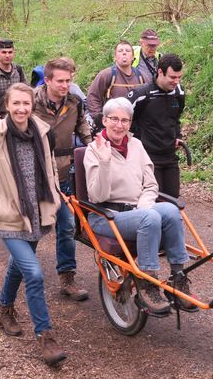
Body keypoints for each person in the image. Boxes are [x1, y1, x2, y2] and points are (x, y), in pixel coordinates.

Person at [0, 83, 66, 367]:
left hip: (37, 215)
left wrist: (56, 198)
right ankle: (45, 337)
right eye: (16, 104)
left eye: (26, 103)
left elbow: (51, 168)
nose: (22, 109)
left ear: (32, 104)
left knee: (18, 265)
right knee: (33, 274)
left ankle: (3, 310)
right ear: (6, 106)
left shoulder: (43, 133)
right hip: (9, 219)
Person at [83, 97, 195, 315]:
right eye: (114, 119)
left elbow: (151, 184)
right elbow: (96, 196)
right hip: (106, 215)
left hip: (136, 210)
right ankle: (147, 283)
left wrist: (144, 205)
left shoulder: (136, 145)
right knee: (150, 218)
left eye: (125, 120)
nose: (119, 125)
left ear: (130, 123)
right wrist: (105, 161)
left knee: (171, 211)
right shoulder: (93, 150)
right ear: (104, 121)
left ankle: (178, 277)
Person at [34, 57, 91, 300]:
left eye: (68, 80)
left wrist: (94, 147)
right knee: (33, 230)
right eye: (60, 81)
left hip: (65, 175)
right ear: (47, 80)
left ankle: (67, 277)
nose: (65, 85)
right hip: (36, 176)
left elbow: (83, 129)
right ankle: (23, 270)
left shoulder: (75, 102)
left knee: (67, 226)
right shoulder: (31, 103)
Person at [128, 53, 185, 197]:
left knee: (173, 201)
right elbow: (123, 120)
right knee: (155, 200)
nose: (176, 81)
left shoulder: (179, 92)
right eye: (172, 77)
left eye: (179, 77)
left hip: (170, 156)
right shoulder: (142, 94)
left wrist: (177, 136)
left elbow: (176, 117)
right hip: (148, 157)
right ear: (160, 72)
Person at [87, 40, 144, 129]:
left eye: (128, 51)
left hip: (135, 127)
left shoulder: (141, 77)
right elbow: (93, 97)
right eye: (120, 51)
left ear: (133, 57)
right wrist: (100, 120)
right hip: (112, 126)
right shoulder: (106, 75)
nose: (124, 53)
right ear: (115, 57)